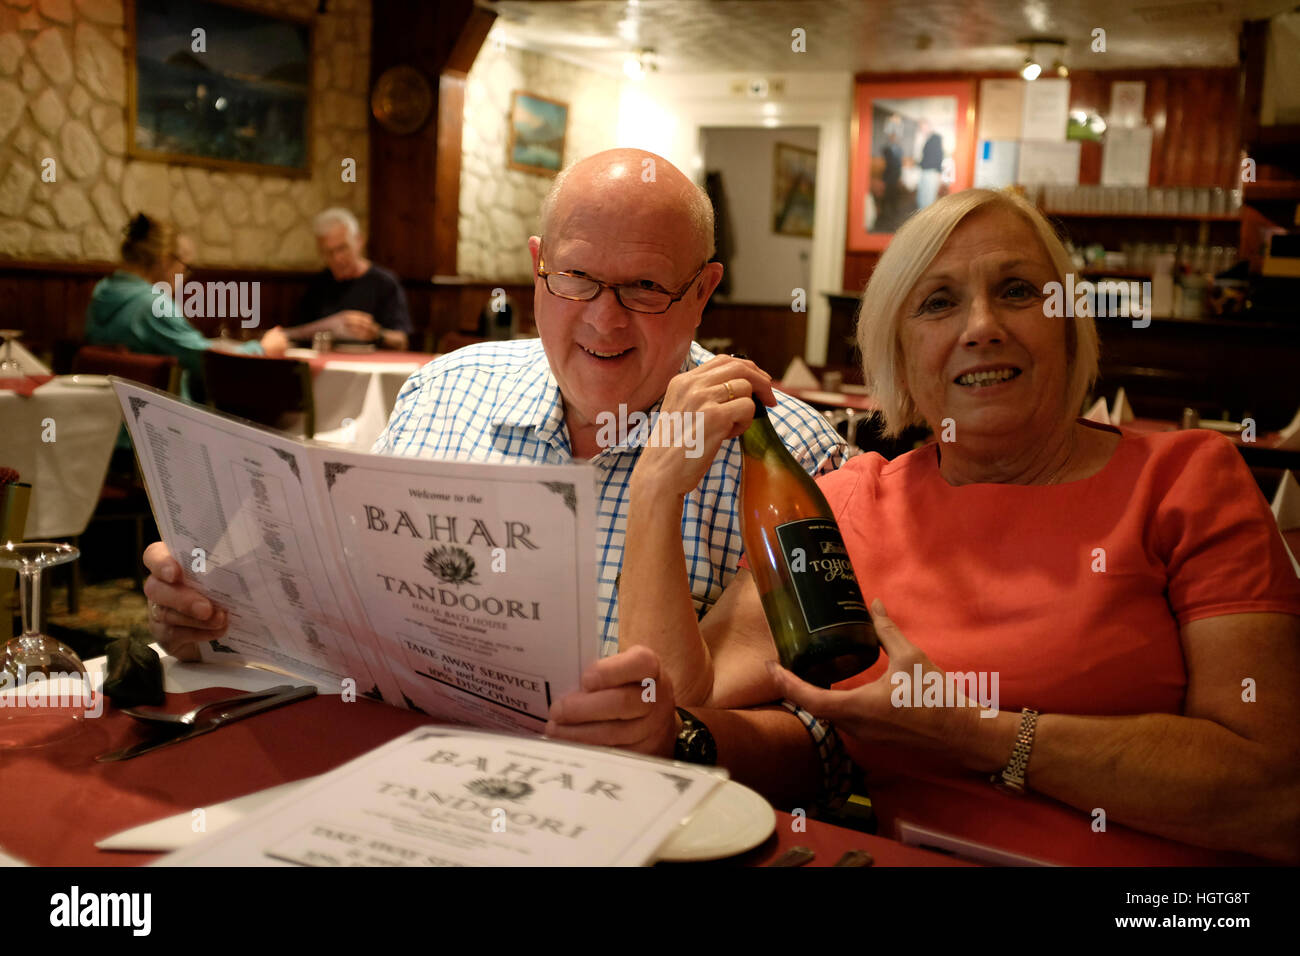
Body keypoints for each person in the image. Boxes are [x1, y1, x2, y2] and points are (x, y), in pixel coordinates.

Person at [607, 186, 1300, 864]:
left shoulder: (1185, 481)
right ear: (899, 353)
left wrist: (976, 733)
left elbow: (1275, 799)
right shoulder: (851, 507)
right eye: (939, 302)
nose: (982, 326)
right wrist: (655, 489)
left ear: (1065, 325)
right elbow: (678, 701)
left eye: (1019, 292)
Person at [141, 149, 851, 808]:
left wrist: (687, 740)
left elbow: (832, 749)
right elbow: (342, 618)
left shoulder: (789, 453)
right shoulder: (446, 393)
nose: (604, 320)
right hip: (396, 787)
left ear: (703, 292)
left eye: (644, 287)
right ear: (538, 267)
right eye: (576, 278)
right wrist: (216, 616)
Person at [85, 214, 288, 402]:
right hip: (155, 428)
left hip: (110, 419)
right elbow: (210, 363)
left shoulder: (103, 294)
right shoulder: (152, 305)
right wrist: (263, 350)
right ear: (167, 260)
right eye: (186, 266)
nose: (185, 275)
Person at [288, 208, 412, 350]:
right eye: (328, 253)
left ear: (359, 241)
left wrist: (377, 334)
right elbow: (297, 333)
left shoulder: (385, 283)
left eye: (342, 248)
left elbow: (402, 341)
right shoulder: (319, 284)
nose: (337, 258)